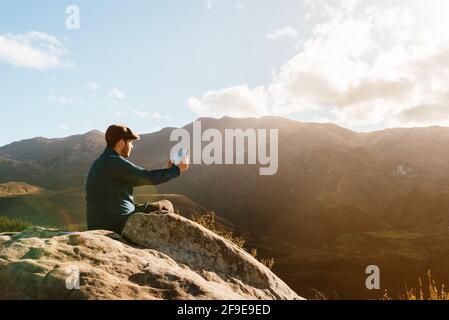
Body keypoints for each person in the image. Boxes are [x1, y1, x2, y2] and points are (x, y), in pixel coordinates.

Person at [85, 124, 189, 233]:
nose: (132, 147)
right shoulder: (115, 162)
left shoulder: (100, 163)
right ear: (121, 143)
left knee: (145, 207)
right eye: (130, 142)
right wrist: (177, 170)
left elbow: (140, 177)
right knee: (165, 205)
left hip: (98, 225)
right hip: (117, 225)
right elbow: (148, 177)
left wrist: (167, 170)